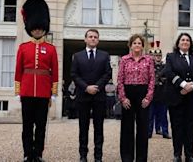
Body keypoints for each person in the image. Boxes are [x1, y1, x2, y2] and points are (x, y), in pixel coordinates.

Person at [14, 0, 58, 162]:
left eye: (40, 28)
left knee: (40, 126)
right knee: (27, 126)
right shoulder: (23, 48)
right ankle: (27, 153)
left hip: (43, 92)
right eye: (35, 28)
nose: (38, 31)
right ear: (30, 28)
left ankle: (38, 154)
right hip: (26, 90)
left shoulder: (51, 49)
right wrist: (18, 90)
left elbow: (54, 72)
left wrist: (53, 93)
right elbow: (18, 70)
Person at [71, 29, 112, 162]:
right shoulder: (77, 56)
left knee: (98, 127)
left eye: (95, 37)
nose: (93, 39)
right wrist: (86, 87)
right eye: (90, 36)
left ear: (98, 40)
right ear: (85, 39)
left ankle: (98, 156)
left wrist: (97, 87)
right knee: (83, 127)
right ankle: (83, 155)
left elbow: (107, 74)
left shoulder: (104, 55)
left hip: (99, 96)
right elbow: (74, 74)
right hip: (83, 95)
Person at [164, 33, 193, 162]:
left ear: (190, 43)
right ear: (178, 43)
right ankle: (177, 154)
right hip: (176, 97)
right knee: (177, 126)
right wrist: (183, 84)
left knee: (190, 127)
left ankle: (189, 154)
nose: (185, 42)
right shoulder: (171, 57)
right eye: (183, 40)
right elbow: (169, 72)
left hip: (192, 98)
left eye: (187, 40)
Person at [117, 34, 154, 162]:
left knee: (143, 128)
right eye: (135, 43)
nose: (137, 45)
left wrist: (148, 98)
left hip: (143, 93)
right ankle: (127, 157)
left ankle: (141, 158)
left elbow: (152, 80)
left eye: (139, 43)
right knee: (127, 127)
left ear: (143, 46)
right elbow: (120, 80)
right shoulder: (124, 60)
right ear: (130, 45)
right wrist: (123, 98)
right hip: (128, 93)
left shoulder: (148, 60)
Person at [148, 41, 171, 139]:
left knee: (163, 115)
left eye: (159, 55)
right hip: (153, 94)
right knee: (150, 116)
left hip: (162, 94)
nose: (157, 57)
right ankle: (148, 132)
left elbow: (167, 78)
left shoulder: (164, 67)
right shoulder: (150, 67)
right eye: (156, 55)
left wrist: (161, 78)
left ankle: (165, 132)